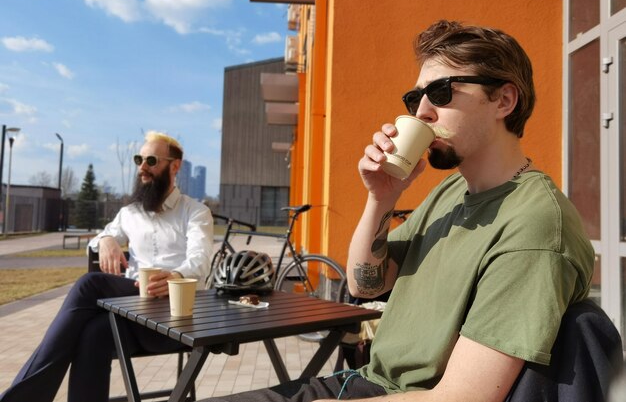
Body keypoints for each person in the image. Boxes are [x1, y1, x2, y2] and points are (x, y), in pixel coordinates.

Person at [197, 20, 594, 402]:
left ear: (504, 100)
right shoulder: (454, 190)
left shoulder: (534, 224)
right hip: (368, 381)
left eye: (440, 92)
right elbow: (365, 285)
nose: (421, 111)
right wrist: (381, 197)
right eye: (414, 98)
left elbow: (461, 398)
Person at [1, 131, 214, 402]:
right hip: (133, 315)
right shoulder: (129, 213)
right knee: (93, 334)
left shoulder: (195, 212)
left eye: (151, 160)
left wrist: (176, 275)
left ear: (175, 166)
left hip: (177, 318)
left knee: (90, 284)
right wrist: (107, 240)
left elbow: (200, 260)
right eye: (139, 159)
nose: (142, 167)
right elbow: (97, 241)